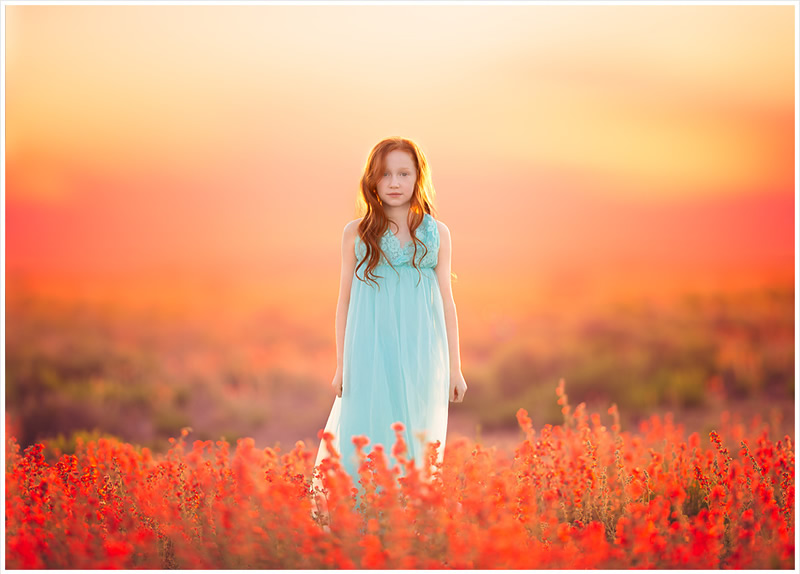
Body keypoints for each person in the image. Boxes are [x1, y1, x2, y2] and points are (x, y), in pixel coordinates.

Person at [313, 136, 467, 491]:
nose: (394, 183)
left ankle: (407, 519)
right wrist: (342, 365)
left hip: (420, 352)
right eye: (385, 175)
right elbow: (345, 301)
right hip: (370, 351)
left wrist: (455, 368)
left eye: (403, 174)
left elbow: (447, 301)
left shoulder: (436, 233)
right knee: (368, 431)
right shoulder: (357, 233)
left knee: (416, 435)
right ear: (372, 181)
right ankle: (361, 518)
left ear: (418, 179)